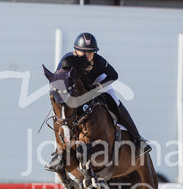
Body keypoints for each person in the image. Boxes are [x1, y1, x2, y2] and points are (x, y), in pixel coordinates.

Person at [45, 32, 151, 172]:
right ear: (76, 50)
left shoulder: (98, 61)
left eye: (91, 52)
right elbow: (58, 79)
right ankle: (58, 152)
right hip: (77, 89)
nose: (87, 55)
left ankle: (138, 139)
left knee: (115, 102)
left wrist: (98, 87)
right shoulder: (67, 60)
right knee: (61, 112)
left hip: (97, 83)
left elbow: (114, 75)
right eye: (83, 52)